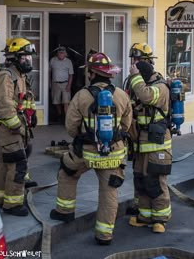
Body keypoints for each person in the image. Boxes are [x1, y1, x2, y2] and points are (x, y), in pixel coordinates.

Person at [50, 52, 132, 245]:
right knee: (109, 191)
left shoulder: (81, 96)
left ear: (92, 74)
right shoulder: (121, 95)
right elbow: (127, 126)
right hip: (114, 154)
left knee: (67, 173)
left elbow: (71, 127)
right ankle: (104, 235)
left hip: (85, 153)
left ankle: (65, 212)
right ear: (110, 74)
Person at [127, 43, 172, 233]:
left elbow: (146, 98)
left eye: (137, 61)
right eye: (132, 60)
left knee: (155, 180)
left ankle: (160, 219)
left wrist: (135, 76)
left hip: (157, 143)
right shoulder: (138, 84)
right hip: (140, 143)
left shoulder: (160, 86)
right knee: (141, 179)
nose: (134, 64)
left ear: (147, 62)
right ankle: (145, 216)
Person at [0, 37, 37, 216]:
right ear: (15, 57)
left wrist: (31, 114)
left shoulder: (19, 75)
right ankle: (13, 204)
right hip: (8, 127)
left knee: (6, 163)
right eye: (25, 57)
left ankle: (1, 198)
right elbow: (3, 105)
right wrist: (18, 126)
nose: (29, 60)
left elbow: (25, 98)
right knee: (18, 163)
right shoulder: (6, 75)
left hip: (17, 125)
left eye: (29, 57)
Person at [49, 46, 74, 121]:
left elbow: (71, 74)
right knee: (56, 101)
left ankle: (67, 119)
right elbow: (49, 72)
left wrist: (69, 85)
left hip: (65, 84)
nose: (61, 54)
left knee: (66, 102)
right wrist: (49, 83)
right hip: (55, 83)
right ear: (57, 53)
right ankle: (60, 114)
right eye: (59, 53)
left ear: (65, 54)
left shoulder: (68, 61)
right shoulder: (53, 60)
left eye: (62, 53)